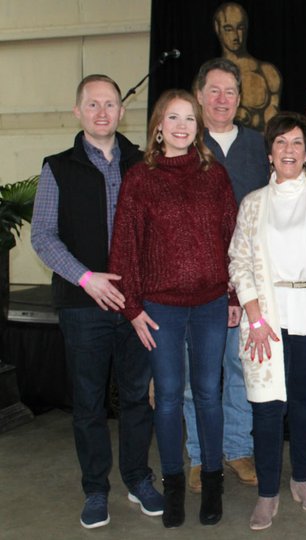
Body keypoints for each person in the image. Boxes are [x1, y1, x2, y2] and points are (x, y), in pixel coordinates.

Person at [30, 74, 163, 529]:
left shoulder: (144, 164)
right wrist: (86, 278)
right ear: (78, 111)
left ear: (122, 111)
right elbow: (43, 236)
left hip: (135, 306)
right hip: (83, 305)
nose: (102, 112)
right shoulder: (57, 167)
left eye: (110, 104)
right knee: (88, 402)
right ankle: (95, 489)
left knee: (135, 399)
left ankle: (137, 478)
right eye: (93, 105)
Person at [108, 89, 239, 528]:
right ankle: (174, 484)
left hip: (209, 305)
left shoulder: (214, 176)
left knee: (208, 393)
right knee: (166, 397)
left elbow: (233, 241)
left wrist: (235, 296)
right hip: (160, 307)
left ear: (197, 126)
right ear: (158, 126)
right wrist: (132, 309)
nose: (182, 126)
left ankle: (214, 482)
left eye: (189, 119)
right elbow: (124, 248)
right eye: (173, 118)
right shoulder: (139, 179)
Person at [228, 112, 306, 530]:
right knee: (268, 407)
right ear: (269, 153)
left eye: (296, 143)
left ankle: (303, 481)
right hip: (267, 320)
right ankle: (268, 493)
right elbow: (238, 260)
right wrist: (253, 315)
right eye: (281, 143)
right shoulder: (253, 203)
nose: (288, 150)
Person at [182, 57, 268, 494]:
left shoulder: (257, 145)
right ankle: (200, 454)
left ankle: (237, 448)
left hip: (249, 282)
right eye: (213, 91)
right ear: (198, 96)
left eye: (230, 92)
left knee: (242, 369)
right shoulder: (184, 143)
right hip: (197, 284)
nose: (221, 99)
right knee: (199, 374)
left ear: (240, 99)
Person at [213, 2, 282, 130]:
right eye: (228, 29)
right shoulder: (207, 78)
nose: (235, 35)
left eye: (240, 28)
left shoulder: (267, 73)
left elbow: (272, 127)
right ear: (217, 28)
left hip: (257, 147)